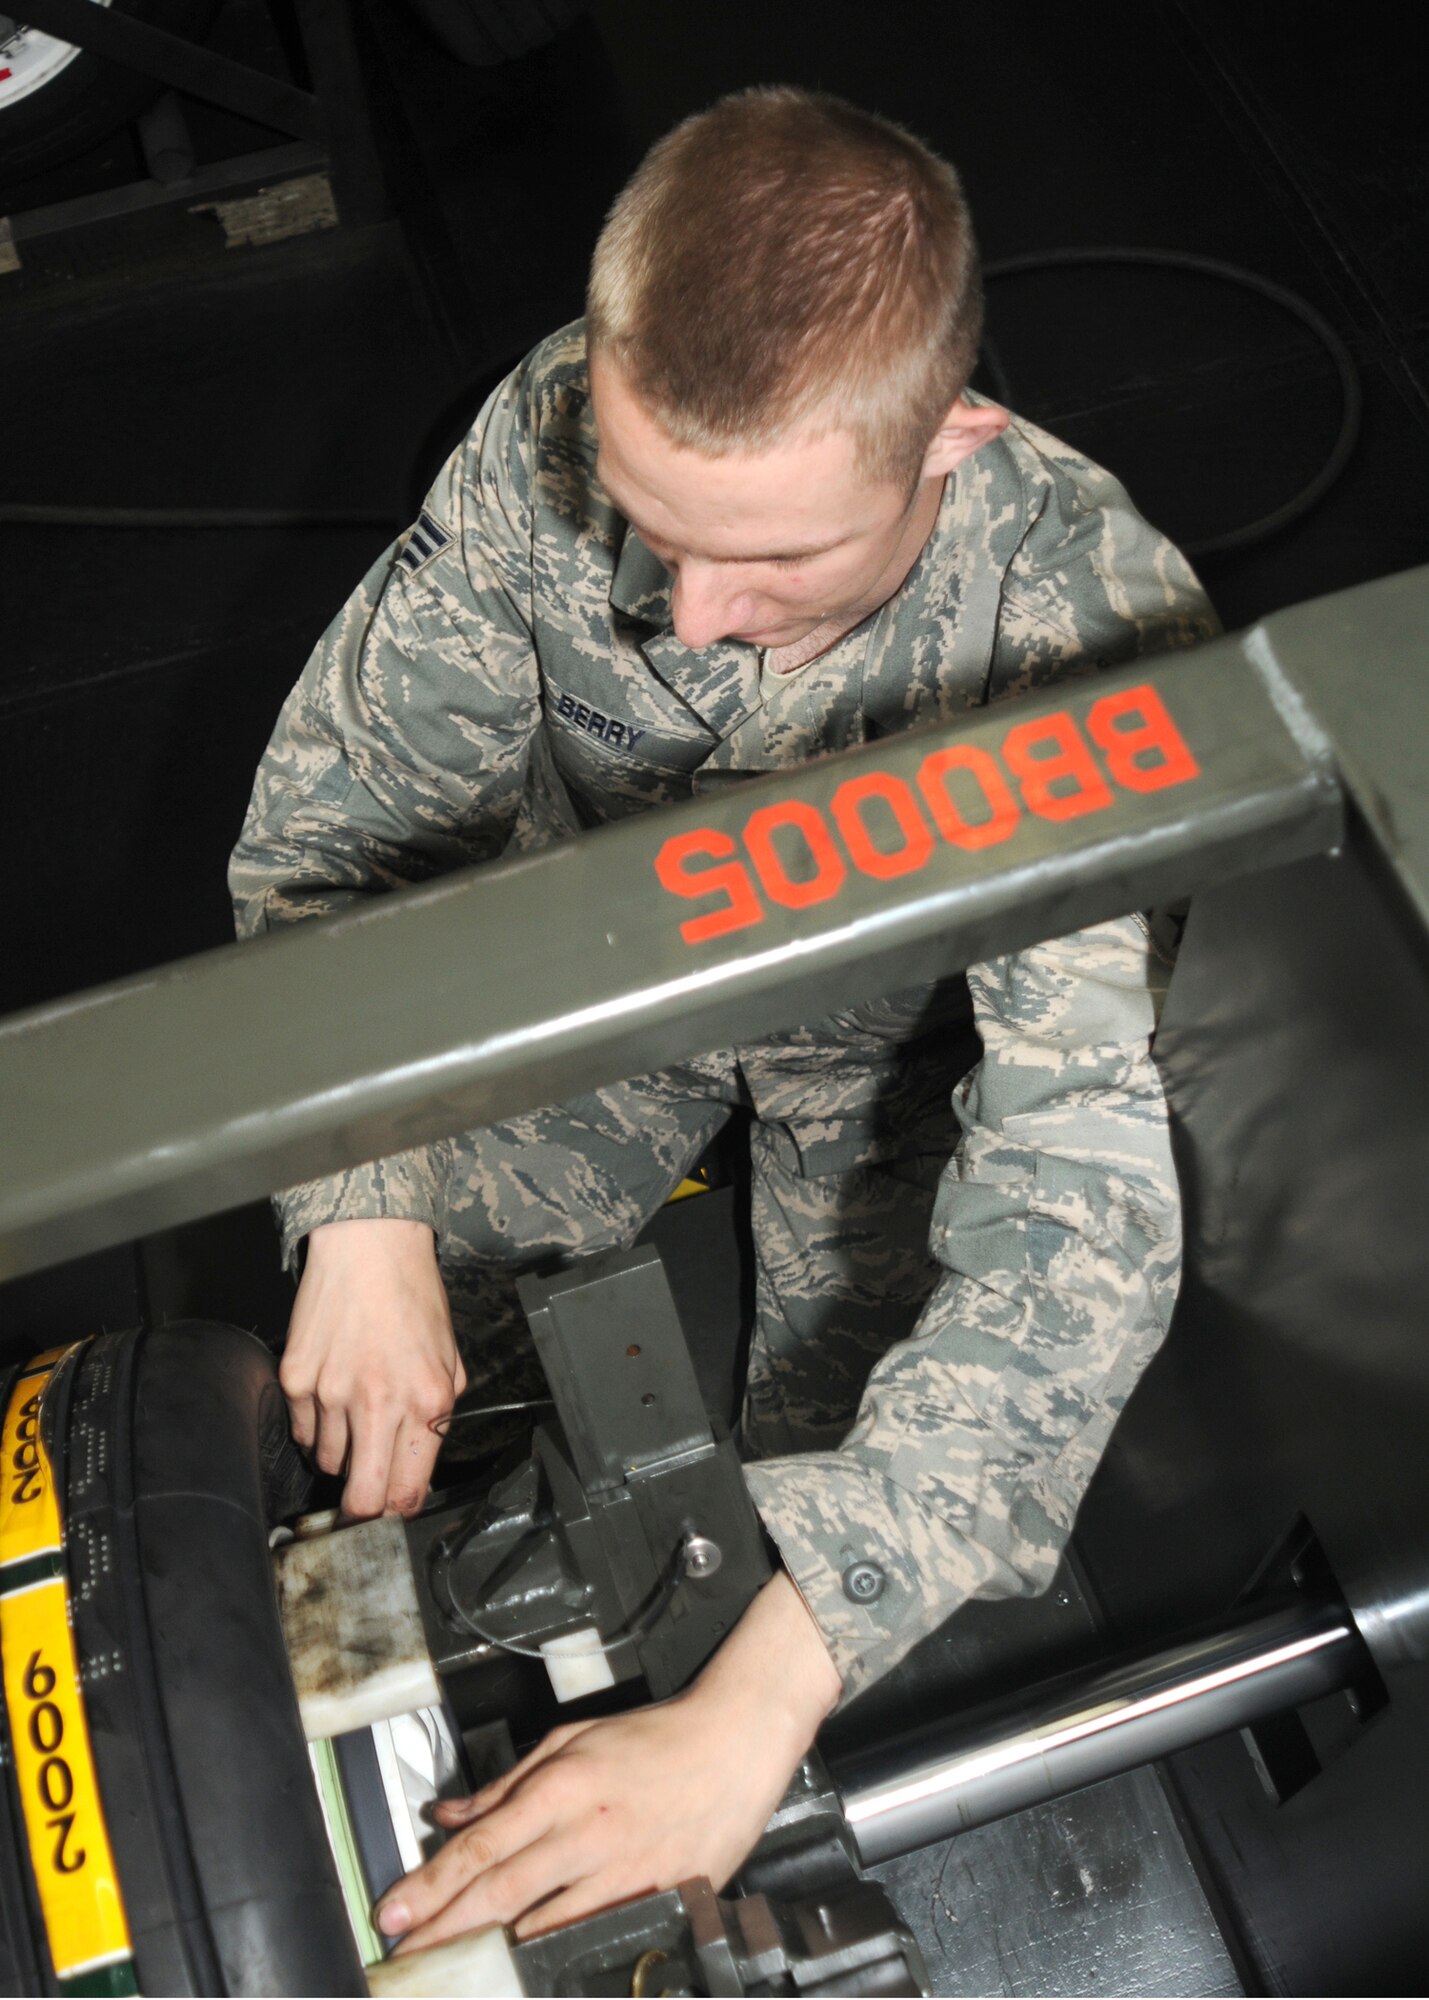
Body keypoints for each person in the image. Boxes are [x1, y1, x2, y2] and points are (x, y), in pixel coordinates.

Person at [230, 87, 1215, 1952]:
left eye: (768, 562)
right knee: (346, 1329)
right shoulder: (551, 431)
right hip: (619, 968)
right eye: (653, 526)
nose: (687, 611)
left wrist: (754, 1708)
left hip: (903, 1068)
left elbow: (1076, 1215)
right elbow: (337, 826)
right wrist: (363, 1194)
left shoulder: (1086, 645)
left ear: (955, 437)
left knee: (829, 1572)